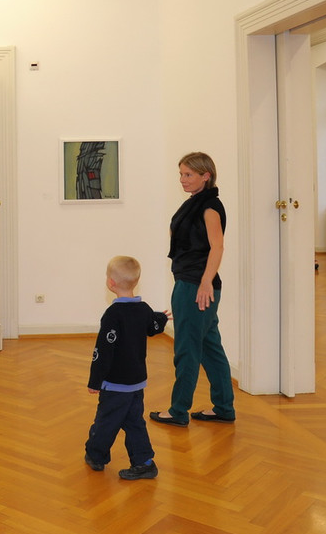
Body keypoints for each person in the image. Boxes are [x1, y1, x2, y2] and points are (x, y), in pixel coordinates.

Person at [151, 152, 236, 427]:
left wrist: (205, 282)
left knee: (187, 349)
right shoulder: (195, 203)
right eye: (181, 174)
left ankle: (178, 411)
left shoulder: (209, 207)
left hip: (196, 287)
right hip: (193, 283)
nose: (183, 179)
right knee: (210, 348)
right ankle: (224, 407)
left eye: (188, 174)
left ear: (205, 176)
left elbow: (217, 246)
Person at [85, 255, 171, 480]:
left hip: (116, 383)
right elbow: (153, 325)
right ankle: (144, 462)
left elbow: (103, 351)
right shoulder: (143, 309)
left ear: (111, 283)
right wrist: (162, 318)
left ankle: (95, 455)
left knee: (106, 421)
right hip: (136, 382)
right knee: (134, 422)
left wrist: (95, 381)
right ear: (136, 281)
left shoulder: (113, 315)